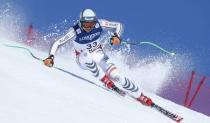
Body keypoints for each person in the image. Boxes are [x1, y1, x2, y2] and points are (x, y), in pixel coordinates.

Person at [44, 9, 152, 106]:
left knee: (117, 76)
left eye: (91, 24)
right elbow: (58, 42)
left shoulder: (99, 23)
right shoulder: (75, 31)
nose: (89, 27)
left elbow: (118, 25)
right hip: (82, 59)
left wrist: (116, 36)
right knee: (86, 55)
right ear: (81, 22)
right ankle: (105, 80)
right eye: (86, 24)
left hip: (98, 54)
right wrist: (51, 57)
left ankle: (140, 95)